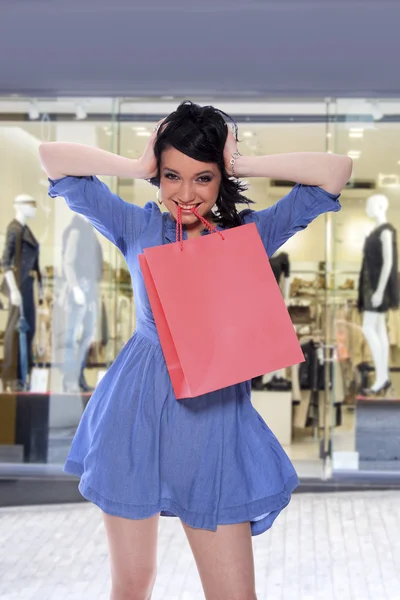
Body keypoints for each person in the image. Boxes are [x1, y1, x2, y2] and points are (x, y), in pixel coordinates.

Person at [39, 101, 352, 600]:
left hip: (212, 426)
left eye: (202, 178)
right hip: (134, 413)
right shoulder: (137, 226)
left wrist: (240, 163)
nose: (185, 193)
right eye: (171, 175)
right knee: (132, 585)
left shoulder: (247, 235)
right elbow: (51, 156)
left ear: (219, 179)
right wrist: (138, 166)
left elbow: (336, 172)